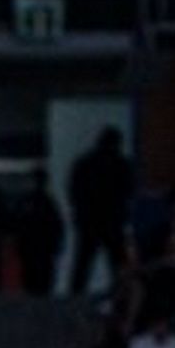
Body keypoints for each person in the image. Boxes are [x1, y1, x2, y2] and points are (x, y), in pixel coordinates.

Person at [68, 127, 134, 297]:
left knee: (83, 264)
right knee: (117, 264)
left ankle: (75, 300)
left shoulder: (84, 164)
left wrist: (80, 214)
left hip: (90, 222)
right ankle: (123, 297)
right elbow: (129, 191)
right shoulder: (121, 165)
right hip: (112, 222)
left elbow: (74, 192)